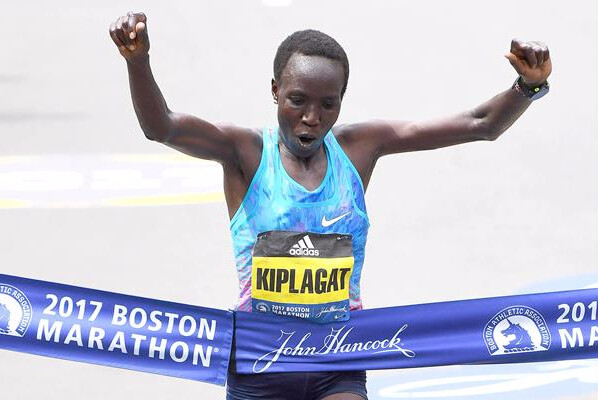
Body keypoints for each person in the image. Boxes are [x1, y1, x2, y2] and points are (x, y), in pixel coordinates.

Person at [109, 11, 552, 400]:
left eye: (328, 104)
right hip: (260, 361)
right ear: (275, 91)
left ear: (342, 99)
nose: (312, 118)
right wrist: (138, 61)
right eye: (297, 101)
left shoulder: (359, 149)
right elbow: (161, 127)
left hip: (340, 356)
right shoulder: (245, 153)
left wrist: (528, 86)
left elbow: (481, 124)